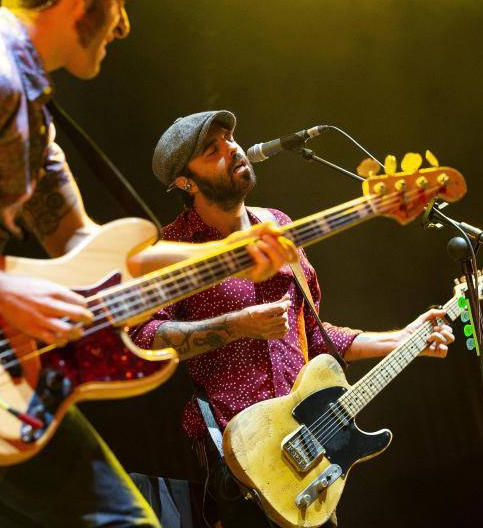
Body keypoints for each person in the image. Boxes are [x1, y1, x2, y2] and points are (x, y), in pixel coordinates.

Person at [0, 0, 297, 526]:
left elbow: (86, 248)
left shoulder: (30, 110)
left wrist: (237, 253)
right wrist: (3, 290)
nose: (122, 24)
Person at [130, 110, 456, 527]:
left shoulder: (278, 225)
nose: (232, 149)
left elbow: (314, 338)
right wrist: (237, 325)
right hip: (240, 457)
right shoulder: (172, 245)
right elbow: (144, 337)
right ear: (185, 182)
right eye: (212, 150)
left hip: (308, 452)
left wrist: (402, 339)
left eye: (230, 139)